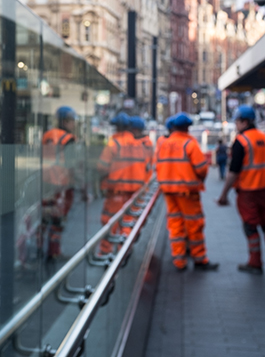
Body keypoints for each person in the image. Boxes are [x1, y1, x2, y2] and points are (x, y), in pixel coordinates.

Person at [155, 112, 218, 272]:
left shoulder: (163, 144)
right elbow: (202, 168)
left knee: (175, 224)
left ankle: (179, 260)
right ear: (187, 127)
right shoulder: (189, 144)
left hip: (168, 192)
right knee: (194, 224)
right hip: (187, 192)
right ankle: (199, 259)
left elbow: (156, 165)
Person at [217, 106, 265, 275]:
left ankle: (255, 262)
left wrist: (223, 194)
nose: (236, 125)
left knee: (251, 227)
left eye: (237, 121)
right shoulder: (263, 137)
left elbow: (233, 172)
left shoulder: (242, 141)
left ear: (244, 122)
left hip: (248, 192)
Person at [97, 113, 147, 256]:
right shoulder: (138, 145)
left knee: (110, 222)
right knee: (128, 222)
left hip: (116, 192)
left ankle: (105, 253)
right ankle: (123, 250)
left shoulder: (114, 144)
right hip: (134, 193)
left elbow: (102, 167)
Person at [42, 106, 78, 219]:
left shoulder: (47, 135)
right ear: (65, 121)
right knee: (59, 214)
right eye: (72, 121)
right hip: (61, 181)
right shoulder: (68, 138)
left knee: (45, 211)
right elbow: (71, 163)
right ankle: (54, 235)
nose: (74, 124)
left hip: (45, 179)